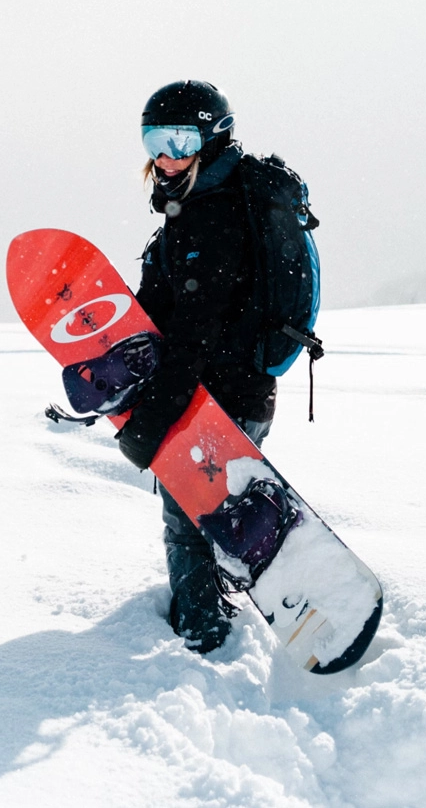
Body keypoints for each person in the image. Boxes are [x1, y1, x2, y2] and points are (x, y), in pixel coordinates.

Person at [115, 79, 278, 655]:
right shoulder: (204, 204)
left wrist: (153, 419)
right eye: (154, 141)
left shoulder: (213, 217)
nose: (165, 156)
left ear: (212, 140)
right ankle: (219, 604)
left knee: (187, 525)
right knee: (212, 514)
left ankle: (203, 640)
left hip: (214, 401)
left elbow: (194, 335)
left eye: (180, 141)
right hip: (236, 394)